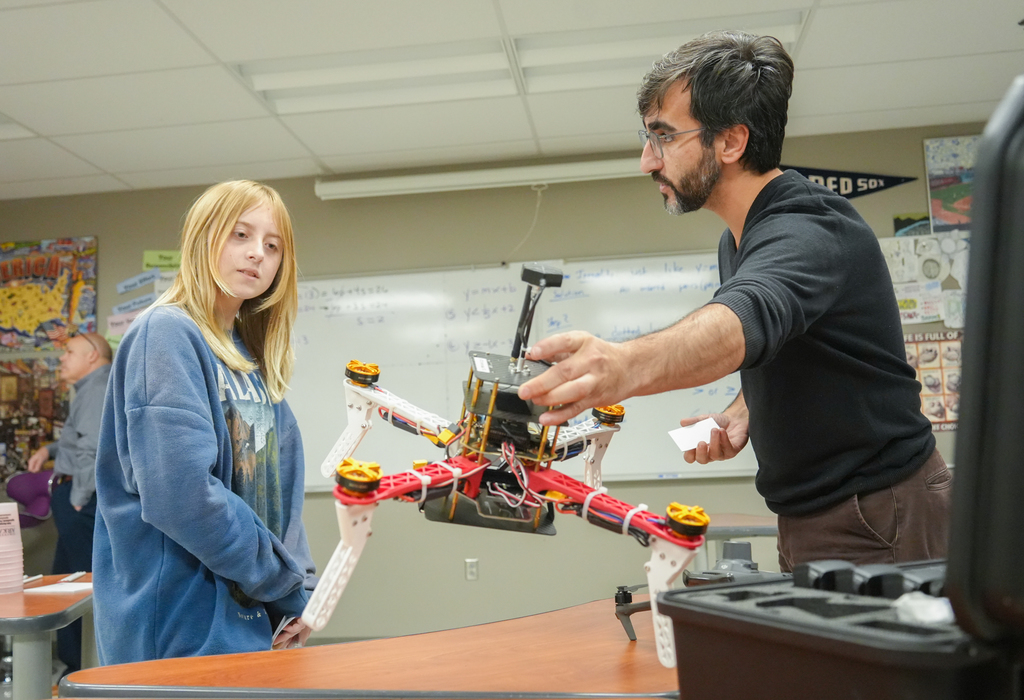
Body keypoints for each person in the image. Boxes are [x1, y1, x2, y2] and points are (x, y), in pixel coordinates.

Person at [518, 31, 951, 572]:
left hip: (882, 512)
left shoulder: (810, 228)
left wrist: (623, 365)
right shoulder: (741, 239)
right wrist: (743, 411)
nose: (647, 161)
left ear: (730, 142)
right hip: (821, 512)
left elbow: (744, 317)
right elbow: (796, 339)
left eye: (663, 137)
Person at [92, 180, 316, 664]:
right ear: (203, 237)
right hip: (179, 628)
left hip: (252, 618)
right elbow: (181, 495)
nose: (257, 254)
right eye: (241, 235)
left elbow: (281, 490)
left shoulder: (251, 361)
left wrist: (301, 589)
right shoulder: (165, 333)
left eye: (273, 246)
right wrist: (281, 582)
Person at [26, 331, 111, 675]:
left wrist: (78, 498)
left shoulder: (95, 388)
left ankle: (83, 669)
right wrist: (49, 450)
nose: (62, 358)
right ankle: (74, 666)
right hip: (78, 497)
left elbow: (92, 448)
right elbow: (80, 440)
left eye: (69, 352)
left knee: (78, 588)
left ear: (92, 356)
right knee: (66, 582)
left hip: (81, 500)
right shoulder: (92, 388)